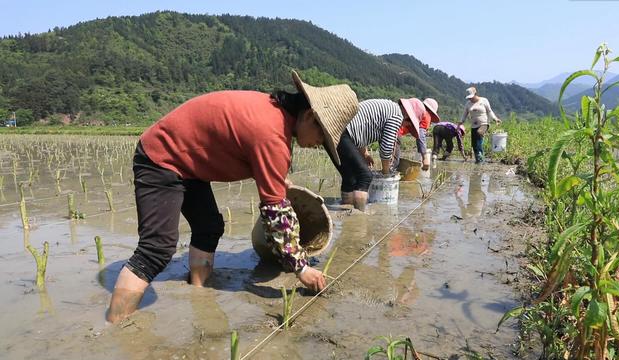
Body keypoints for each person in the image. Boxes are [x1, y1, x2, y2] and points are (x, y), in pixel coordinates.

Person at [106, 71, 358, 323]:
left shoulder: (275, 117)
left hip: (188, 164)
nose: (317, 145)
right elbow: (275, 213)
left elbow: (268, 170)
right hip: (161, 157)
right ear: (310, 116)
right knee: (156, 248)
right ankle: (115, 324)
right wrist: (301, 268)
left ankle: (198, 294)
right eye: (321, 138)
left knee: (209, 227)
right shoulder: (272, 134)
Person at [329, 98, 436, 211]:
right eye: (407, 125)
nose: (403, 127)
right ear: (408, 118)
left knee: (350, 178)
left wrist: (365, 154)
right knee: (365, 176)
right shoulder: (397, 116)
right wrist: (386, 172)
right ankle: (360, 215)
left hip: (336, 130)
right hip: (343, 133)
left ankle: (346, 214)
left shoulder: (389, 108)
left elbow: (360, 129)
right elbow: (386, 149)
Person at [393, 97, 441, 171]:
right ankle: (388, 177)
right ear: (432, 112)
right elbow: (421, 135)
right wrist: (425, 158)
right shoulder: (426, 115)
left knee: (388, 155)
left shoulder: (416, 110)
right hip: (395, 131)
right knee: (394, 160)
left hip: (393, 128)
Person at [458, 87, 501, 164]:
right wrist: (460, 122)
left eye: (471, 97)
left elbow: (489, 111)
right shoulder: (468, 104)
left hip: (484, 124)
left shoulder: (484, 100)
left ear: (475, 94)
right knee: (474, 144)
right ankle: (478, 160)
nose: (470, 99)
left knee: (479, 133)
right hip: (473, 126)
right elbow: (464, 114)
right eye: (469, 98)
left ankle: (481, 156)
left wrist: (495, 119)